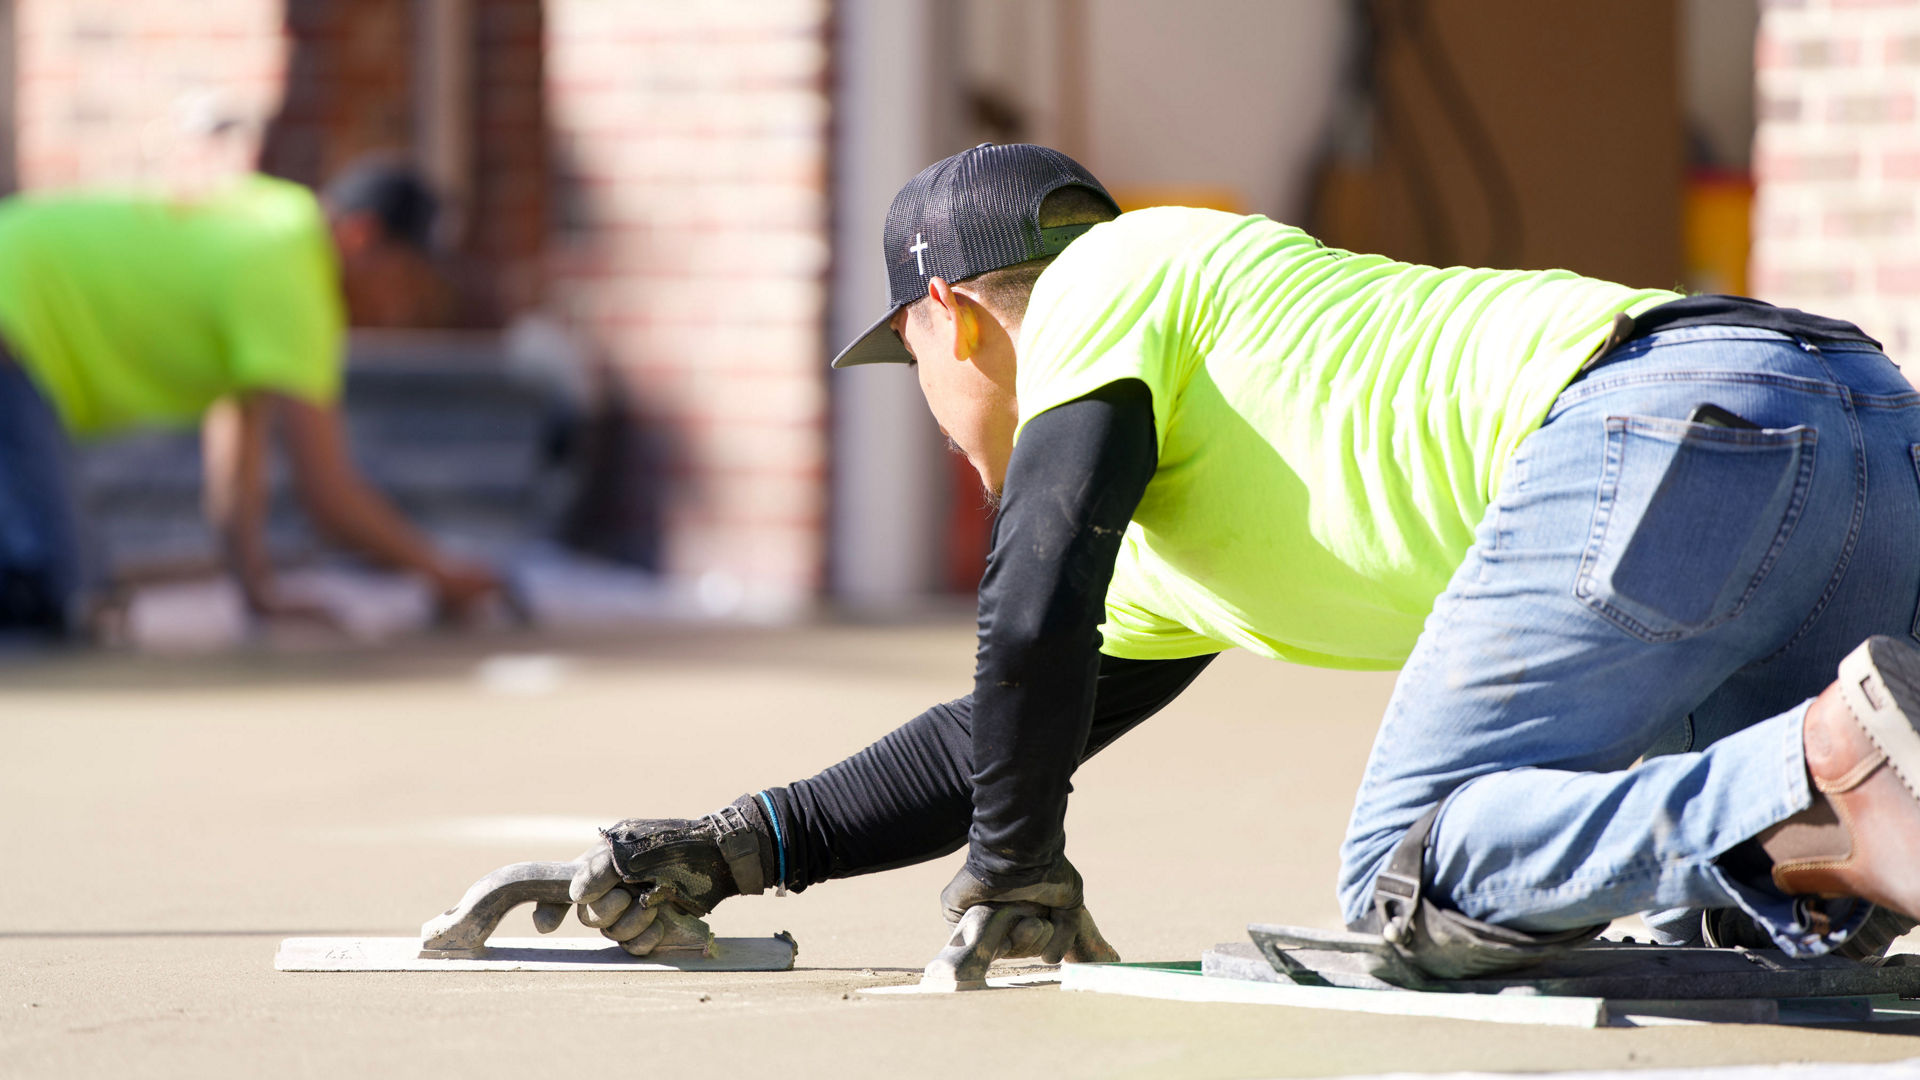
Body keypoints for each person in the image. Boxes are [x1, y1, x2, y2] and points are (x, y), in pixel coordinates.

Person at [540, 143, 1920, 977]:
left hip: (1659, 429)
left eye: (901, 355)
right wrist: (743, 849)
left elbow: (1028, 605)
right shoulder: (1187, 462)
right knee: (1746, 902)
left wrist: (1016, 869)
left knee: (1409, 872)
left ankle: (1828, 775)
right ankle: (1842, 817)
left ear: (950, 319)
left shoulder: (1107, 281)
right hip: (1852, 417)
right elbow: (1012, 718)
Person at [0, 160, 499, 639]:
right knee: (52, 594)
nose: (404, 305)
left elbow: (239, 454)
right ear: (361, 235)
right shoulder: (293, 276)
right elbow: (329, 494)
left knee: (73, 589)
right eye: (405, 278)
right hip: (10, 326)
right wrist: (442, 573)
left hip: (15, 314)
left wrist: (256, 591)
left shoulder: (275, 218)